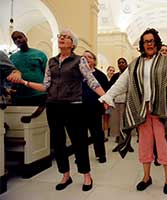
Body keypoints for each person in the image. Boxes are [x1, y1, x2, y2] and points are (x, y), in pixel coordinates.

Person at [99, 28, 167, 194]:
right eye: (145, 41)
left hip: (161, 111)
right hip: (142, 111)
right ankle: (146, 177)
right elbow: (122, 83)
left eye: (152, 41)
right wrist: (108, 97)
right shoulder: (135, 64)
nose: (149, 44)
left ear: (156, 43)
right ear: (142, 45)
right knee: (144, 144)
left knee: (163, 144)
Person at [9, 29, 106, 192]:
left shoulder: (79, 60)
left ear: (73, 44)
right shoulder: (52, 61)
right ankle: (65, 175)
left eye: (67, 37)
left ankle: (86, 175)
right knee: (58, 142)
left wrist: (105, 97)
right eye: (61, 36)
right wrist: (24, 82)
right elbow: (45, 85)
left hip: (74, 106)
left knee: (79, 142)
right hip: (53, 106)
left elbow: (91, 81)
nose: (62, 38)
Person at [82, 50, 108, 163]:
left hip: (95, 108)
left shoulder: (101, 75)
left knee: (97, 133)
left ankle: (101, 155)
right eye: (84, 57)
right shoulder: (78, 74)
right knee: (81, 134)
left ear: (94, 61)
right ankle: (81, 157)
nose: (86, 59)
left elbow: (105, 92)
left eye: (89, 57)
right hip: (80, 108)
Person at [10, 31, 48, 106]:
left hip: (39, 94)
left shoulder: (40, 54)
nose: (17, 40)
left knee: (40, 117)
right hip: (19, 96)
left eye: (20, 37)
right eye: (15, 39)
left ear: (26, 38)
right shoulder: (12, 57)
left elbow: (47, 75)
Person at [110, 57, 134, 153]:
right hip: (117, 102)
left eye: (123, 62)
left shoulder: (130, 75)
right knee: (117, 124)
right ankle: (120, 144)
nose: (121, 64)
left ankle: (128, 144)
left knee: (126, 124)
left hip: (127, 102)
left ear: (126, 63)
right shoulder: (115, 76)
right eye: (119, 63)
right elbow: (110, 88)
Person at [103, 65, 115, 141]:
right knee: (105, 118)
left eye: (113, 71)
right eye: (110, 70)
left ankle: (113, 133)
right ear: (107, 71)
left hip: (113, 100)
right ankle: (105, 135)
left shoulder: (115, 79)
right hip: (106, 100)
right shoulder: (104, 79)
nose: (112, 72)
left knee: (113, 118)